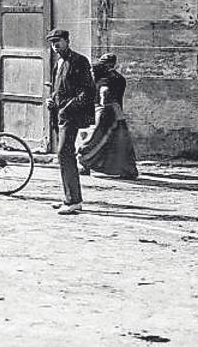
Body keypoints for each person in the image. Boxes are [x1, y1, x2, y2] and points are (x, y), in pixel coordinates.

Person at [46, 29, 96, 214]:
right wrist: (52, 100)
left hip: (72, 115)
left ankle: (73, 200)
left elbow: (87, 91)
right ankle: (69, 197)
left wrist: (68, 107)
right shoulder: (58, 63)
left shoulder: (79, 61)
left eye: (58, 41)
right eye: (52, 43)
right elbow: (58, 89)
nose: (55, 45)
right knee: (64, 155)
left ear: (67, 41)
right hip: (59, 114)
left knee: (64, 152)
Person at [78, 54, 139, 179]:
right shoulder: (118, 78)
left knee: (96, 139)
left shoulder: (105, 78)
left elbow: (105, 94)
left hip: (105, 112)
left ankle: (85, 163)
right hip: (114, 112)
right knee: (119, 142)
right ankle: (126, 169)